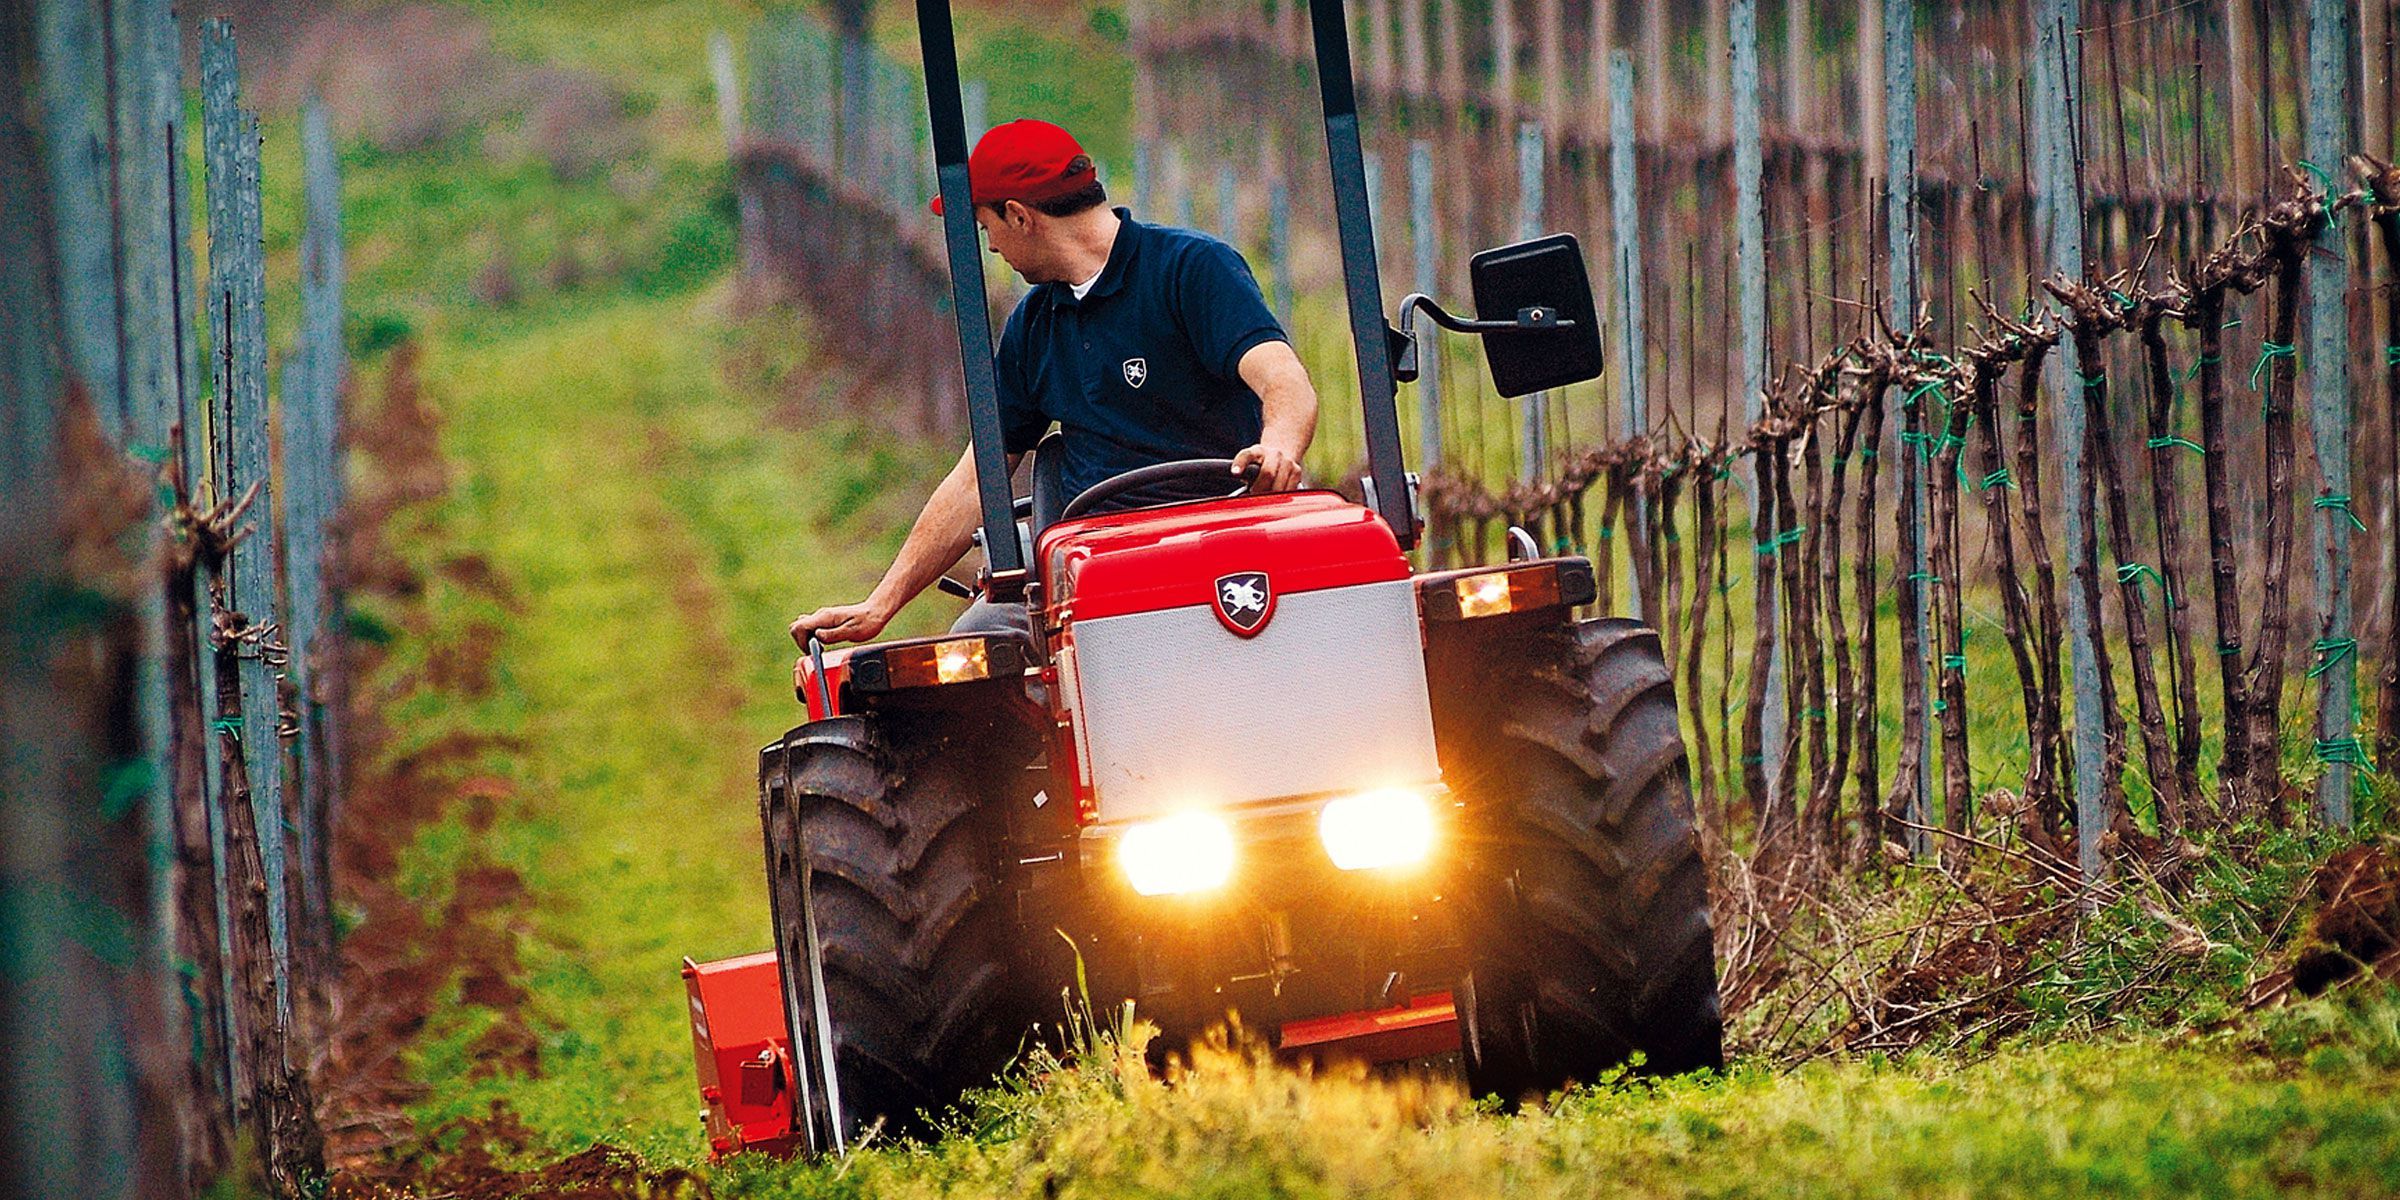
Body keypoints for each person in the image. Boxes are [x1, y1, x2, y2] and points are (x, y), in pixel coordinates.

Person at [789, 118, 1319, 647]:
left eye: (985, 227)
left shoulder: (1191, 269)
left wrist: (1277, 447)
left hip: (1228, 540)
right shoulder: (1032, 328)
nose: (991, 247)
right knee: (981, 639)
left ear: (1018, 216)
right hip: (1099, 566)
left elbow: (1282, 377)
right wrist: (881, 603)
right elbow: (979, 479)